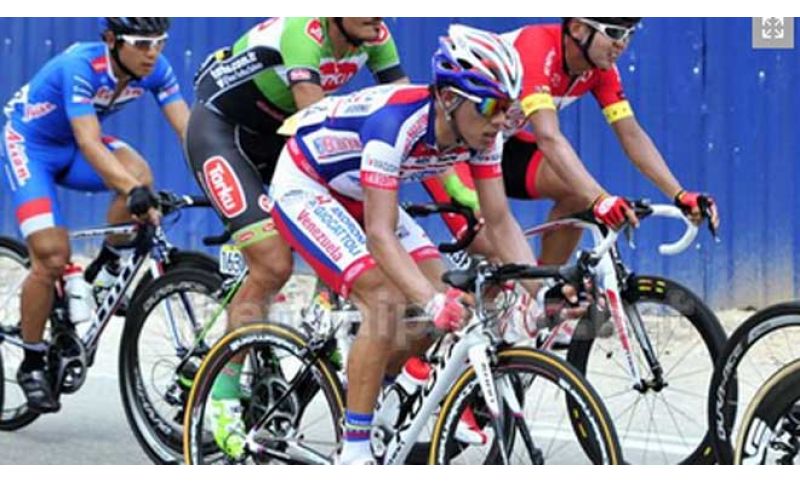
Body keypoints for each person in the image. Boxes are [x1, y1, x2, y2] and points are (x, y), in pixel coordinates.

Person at [267, 24, 578, 464]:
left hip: (356, 190)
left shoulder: (482, 135)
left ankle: (376, 389)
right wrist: (431, 303)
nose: (500, 122)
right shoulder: (397, 124)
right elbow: (379, 233)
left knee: (445, 297)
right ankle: (353, 453)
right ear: (449, 97)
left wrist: (541, 292)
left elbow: (499, 221)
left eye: (508, 109)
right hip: (307, 184)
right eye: (490, 106)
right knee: (386, 298)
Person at [184, 17, 408, 458]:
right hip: (224, 135)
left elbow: (410, 115)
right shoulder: (305, 31)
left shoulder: (374, 33)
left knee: (354, 220)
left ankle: (321, 317)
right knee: (272, 264)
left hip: (281, 141)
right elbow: (315, 124)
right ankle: (222, 392)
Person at [0, 17, 188, 413]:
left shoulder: (156, 69)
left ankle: (107, 266)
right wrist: (132, 193)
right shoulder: (81, 66)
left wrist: (222, 178)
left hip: (72, 145)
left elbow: (188, 131)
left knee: (141, 175)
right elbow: (89, 141)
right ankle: (31, 360)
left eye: (160, 42)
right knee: (51, 257)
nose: (153, 53)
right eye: (141, 43)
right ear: (111, 40)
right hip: (31, 147)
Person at [426, 18, 719, 268]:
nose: (622, 44)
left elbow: (631, 134)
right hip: (450, 152)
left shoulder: (600, 70)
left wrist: (679, 194)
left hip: (496, 146)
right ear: (578, 28)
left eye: (629, 34)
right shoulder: (537, 48)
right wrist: (601, 200)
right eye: (614, 33)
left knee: (578, 194)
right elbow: (548, 137)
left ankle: (546, 298)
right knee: (492, 245)